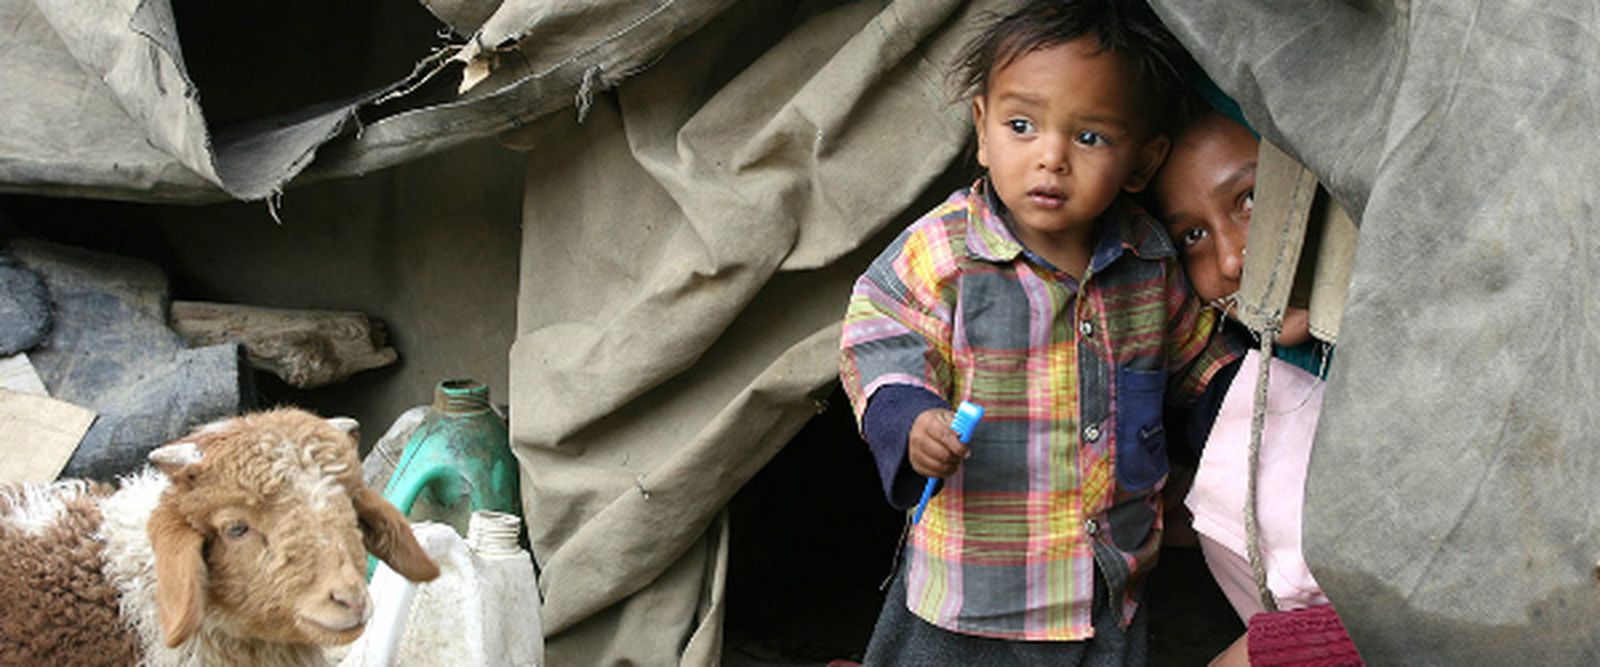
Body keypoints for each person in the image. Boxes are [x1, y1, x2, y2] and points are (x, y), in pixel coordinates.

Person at [837, 1, 1238, 663]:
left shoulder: (1148, 260)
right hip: (973, 592)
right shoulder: (946, 251)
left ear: (1142, 162)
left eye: (1091, 137)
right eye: (1021, 126)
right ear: (982, 131)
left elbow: (1197, 355)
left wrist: (1245, 405)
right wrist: (909, 419)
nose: (1051, 157)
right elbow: (879, 330)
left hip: (1105, 585)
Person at [1149, 108, 1362, 666]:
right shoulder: (1225, 397)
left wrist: (1271, 653)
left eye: (1252, 200)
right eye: (1193, 236)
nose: (1230, 259)